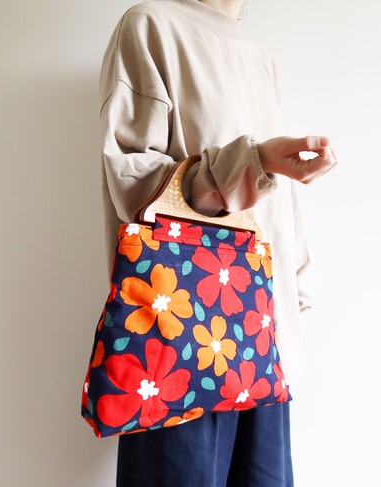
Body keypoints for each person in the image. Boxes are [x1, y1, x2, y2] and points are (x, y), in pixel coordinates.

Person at [98, 0, 338, 485]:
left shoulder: (261, 60)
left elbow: (278, 210)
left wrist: (295, 300)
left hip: (266, 347)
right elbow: (134, 185)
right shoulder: (152, 27)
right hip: (180, 344)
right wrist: (250, 163)